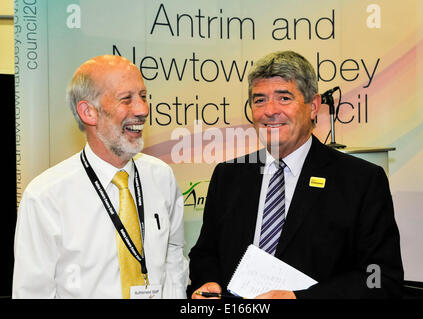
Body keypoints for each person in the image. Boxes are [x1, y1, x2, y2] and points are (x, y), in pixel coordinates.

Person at [189, 51, 403, 299]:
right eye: (259, 100)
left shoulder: (361, 182)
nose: (270, 111)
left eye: (284, 98)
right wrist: (210, 283)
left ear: (313, 106)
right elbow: (205, 253)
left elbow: (380, 278)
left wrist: (299, 299)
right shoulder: (228, 176)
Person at [13, 55, 188, 298]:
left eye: (144, 96)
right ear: (88, 112)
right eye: (126, 99)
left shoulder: (162, 177)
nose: (143, 109)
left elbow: (174, 253)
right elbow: (33, 292)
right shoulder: (45, 197)